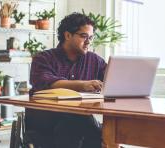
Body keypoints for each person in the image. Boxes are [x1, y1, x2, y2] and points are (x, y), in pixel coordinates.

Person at [25, 12, 107, 148]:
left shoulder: (94, 60)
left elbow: (110, 80)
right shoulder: (43, 58)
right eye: (84, 36)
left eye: (91, 37)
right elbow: (47, 83)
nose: (89, 42)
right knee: (79, 121)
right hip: (44, 120)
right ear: (67, 35)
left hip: (77, 123)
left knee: (80, 122)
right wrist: (82, 85)